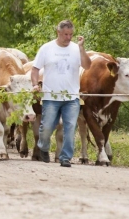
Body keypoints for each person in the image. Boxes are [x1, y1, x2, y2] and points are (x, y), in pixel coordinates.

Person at [31, 19, 91, 167]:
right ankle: (43, 147)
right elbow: (35, 69)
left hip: (71, 97)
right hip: (51, 96)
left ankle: (65, 157)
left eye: (71, 34)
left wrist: (82, 48)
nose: (68, 37)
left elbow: (87, 66)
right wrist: (34, 84)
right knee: (46, 127)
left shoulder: (76, 49)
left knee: (70, 127)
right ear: (58, 32)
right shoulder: (46, 48)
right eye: (65, 34)